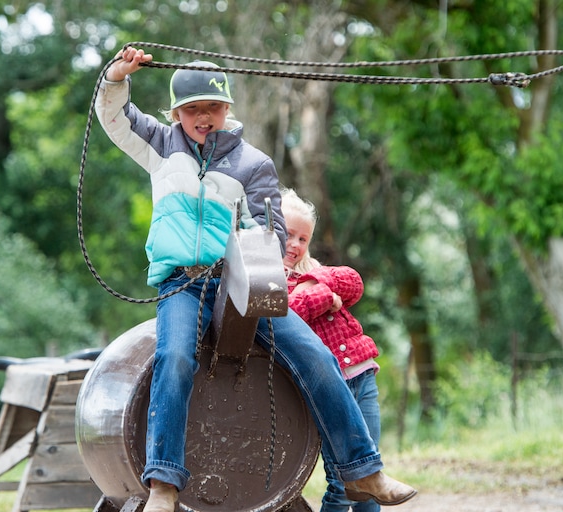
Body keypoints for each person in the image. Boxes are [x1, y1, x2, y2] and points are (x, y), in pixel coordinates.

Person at [95, 46, 417, 512]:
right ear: (176, 113)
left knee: (314, 355)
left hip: (239, 285)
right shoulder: (161, 146)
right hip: (181, 285)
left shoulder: (254, 164)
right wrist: (116, 77)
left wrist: (251, 238)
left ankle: (363, 472)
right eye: (192, 110)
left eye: (212, 107)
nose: (203, 117)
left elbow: (273, 233)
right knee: (175, 357)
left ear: (227, 109)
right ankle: (164, 483)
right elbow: (115, 117)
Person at [281, 188, 386, 512]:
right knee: (341, 483)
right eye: (289, 235)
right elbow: (290, 310)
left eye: (303, 239)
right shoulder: (268, 282)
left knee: (369, 479)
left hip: (361, 374)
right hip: (327, 390)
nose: (296, 245)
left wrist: (313, 280)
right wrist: (324, 296)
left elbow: (353, 281)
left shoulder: (312, 272)